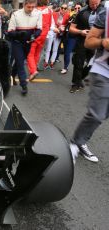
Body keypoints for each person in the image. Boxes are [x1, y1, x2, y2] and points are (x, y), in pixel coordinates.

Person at [70, 7, 109, 163]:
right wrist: (103, 42)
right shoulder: (106, 12)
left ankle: (80, 140)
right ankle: (75, 143)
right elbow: (89, 41)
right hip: (104, 71)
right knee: (97, 114)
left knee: (103, 114)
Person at [7, 0, 41, 95]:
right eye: (28, 7)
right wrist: (19, 34)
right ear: (24, 5)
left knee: (19, 62)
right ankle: (24, 85)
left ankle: (12, 75)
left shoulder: (38, 14)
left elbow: (39, 29)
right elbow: (10, 32)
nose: (30, 9)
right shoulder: (16, 14)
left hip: (28, 42)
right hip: (17, 42)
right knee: (20, 62)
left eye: (32, 7)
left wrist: (34, 36)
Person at [69, 0, 103, 93]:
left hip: (97, 42)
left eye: (97, 3)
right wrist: (81, 31)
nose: (95, 6)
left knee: (93, 64)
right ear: (88, 2)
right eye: (92, 4)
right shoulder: (82, 12)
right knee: (78, 63)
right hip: (82, 41)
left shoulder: (105, 11)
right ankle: (75, 84)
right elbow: (71, 28)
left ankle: (80, 79)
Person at [26, 0, 53, 81]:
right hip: (44, 34)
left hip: (36, 33)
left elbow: (30, 22)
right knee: (37, 53)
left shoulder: (34, 10)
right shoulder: (49, 10)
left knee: (30, 54)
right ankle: (33, 70)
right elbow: (50, 23)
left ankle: (33, 71)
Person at [44, 4, 69, 69]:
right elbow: (50, 22)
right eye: (62, 8)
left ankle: (52, 62)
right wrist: (54, 27)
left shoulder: (67, 15)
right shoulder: (54, 13)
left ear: (67, 9)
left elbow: (67, 25)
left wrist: (62, 28)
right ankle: (46, 62)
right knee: (48, 48)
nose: (63, 9)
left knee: (55, 49)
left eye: (65, 8)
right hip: (51, 32)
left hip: (59, 34)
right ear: (60, 8)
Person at [60, 3, 82, 74]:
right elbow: (67, 24)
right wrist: (63, 27)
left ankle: (65, 68)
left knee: (67, 52)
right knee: (65, 52)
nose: (77, 10)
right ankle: (65, 66)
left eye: (79, 8)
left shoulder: (82, 17)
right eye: (75, 8)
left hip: (73, 37)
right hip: (66, 35)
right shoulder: (73, 15)